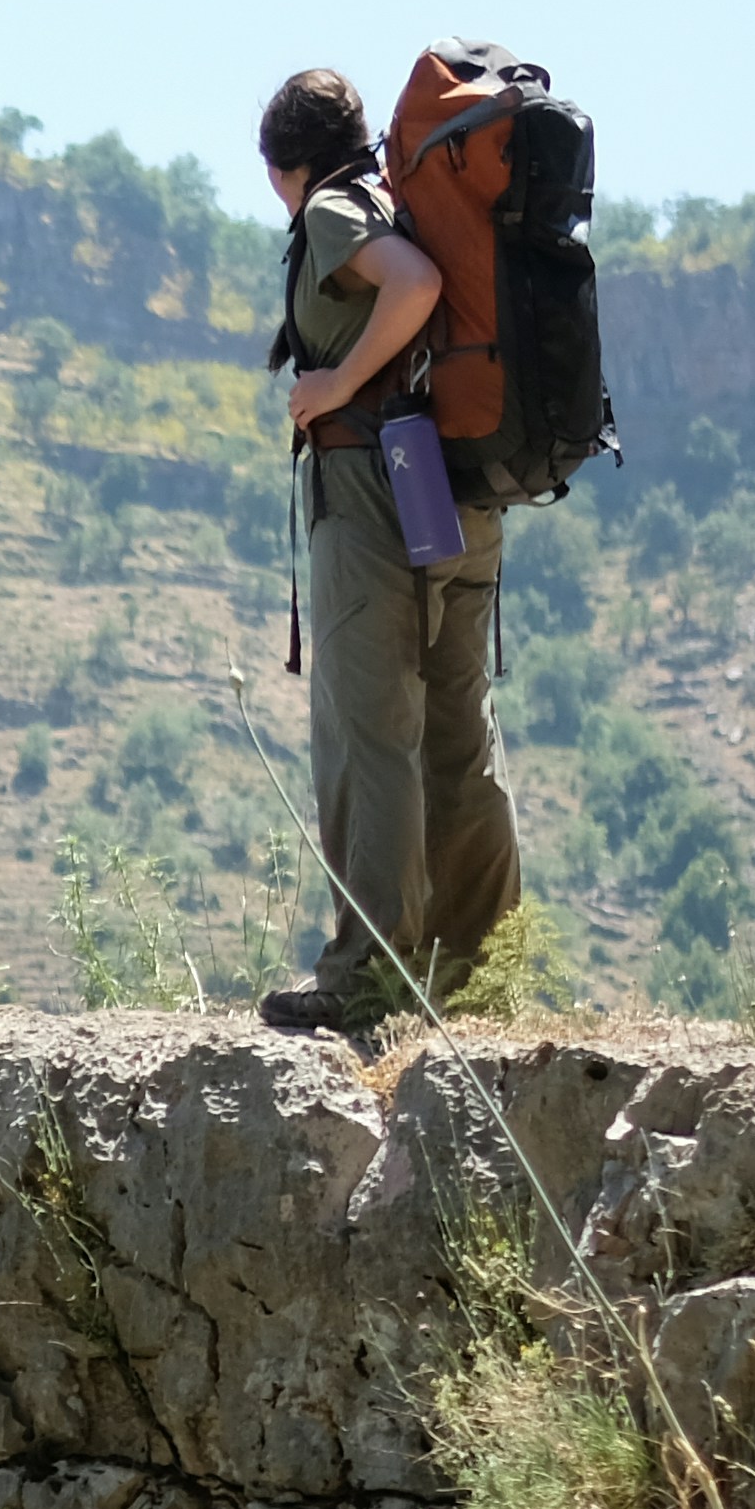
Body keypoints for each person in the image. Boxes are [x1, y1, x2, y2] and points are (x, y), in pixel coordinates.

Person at [258, 66, 523, 1038]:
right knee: (458, 733)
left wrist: (332, 389)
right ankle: (484, 970)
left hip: (375, 496)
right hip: (461, 491)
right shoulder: (408, 194)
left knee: (369, 734)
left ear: (284, 166)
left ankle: (367, 974)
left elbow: (415, 287)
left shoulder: (334, 207)